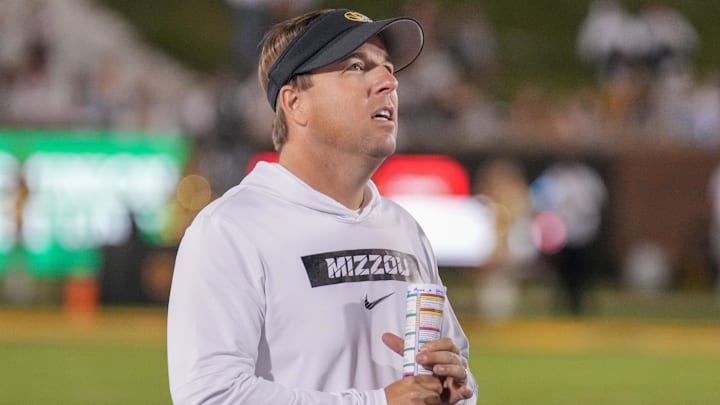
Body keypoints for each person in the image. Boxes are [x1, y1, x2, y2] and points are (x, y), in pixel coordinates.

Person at [167, 8, 479, 405]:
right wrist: (378, 402)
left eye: (387, 67)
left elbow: (457, 378)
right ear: (295, 103)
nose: (388, 81)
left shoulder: (404, 229)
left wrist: (454, 388)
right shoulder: (231, 230)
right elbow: (210, 396)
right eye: (355, 66)